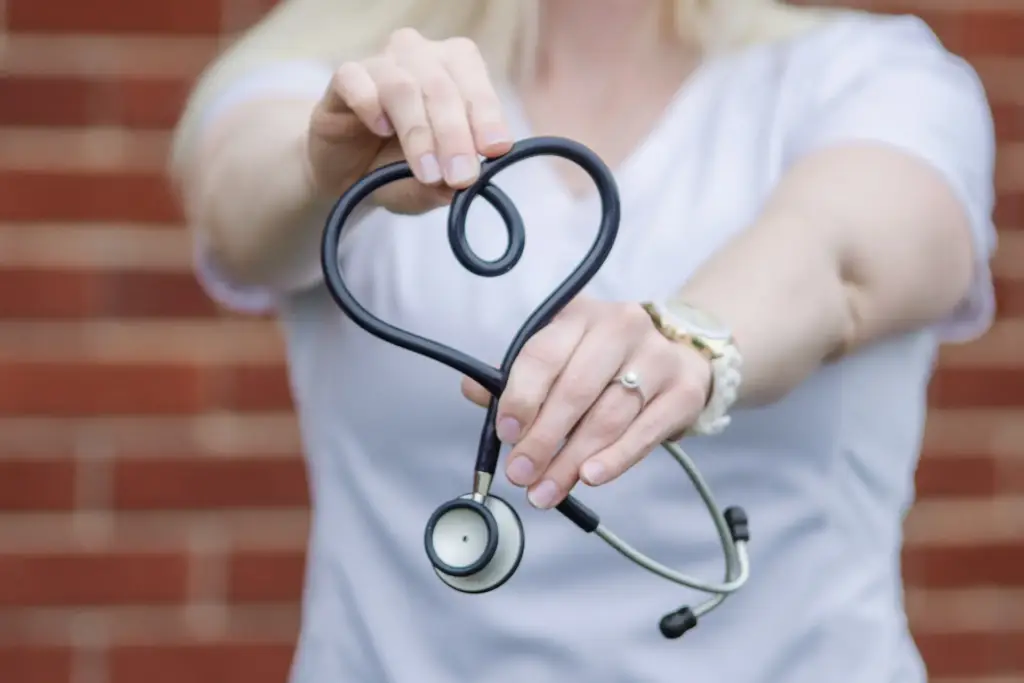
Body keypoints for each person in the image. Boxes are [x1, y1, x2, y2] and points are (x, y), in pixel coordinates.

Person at [169, 0, 997, 681]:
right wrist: (329, 167)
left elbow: (840, 255)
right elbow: (242, 213)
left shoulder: (874, 77)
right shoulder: (343, 80)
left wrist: (691, 341)